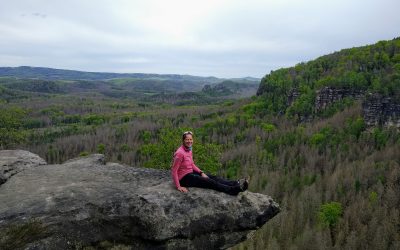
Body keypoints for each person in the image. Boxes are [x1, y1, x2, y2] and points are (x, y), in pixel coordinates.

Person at [171, 131, 248, 195]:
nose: (189, 141)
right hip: (184, 178)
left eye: (191, 139)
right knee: (209, 182)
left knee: (212, 177)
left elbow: (192, 164)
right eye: (187, 139)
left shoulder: (189, 149)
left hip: (190, 172)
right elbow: (174, 171)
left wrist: (201, 172)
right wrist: (178, 186)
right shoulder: (180, 153)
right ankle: (232, 190)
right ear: (183, 140)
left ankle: (235, 183)